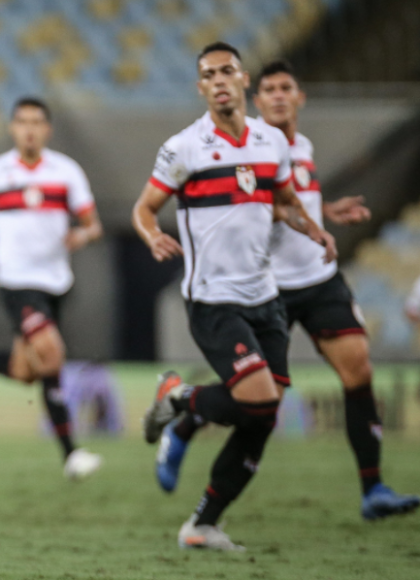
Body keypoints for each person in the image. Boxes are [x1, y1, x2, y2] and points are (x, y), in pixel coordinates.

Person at [154, 59, 419, 521]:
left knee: (358, 370)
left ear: (300, 97)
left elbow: (292, 200)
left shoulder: (298, 146)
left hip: (318, 279)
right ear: (255, 98)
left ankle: (373, 488)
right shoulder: (247, 147)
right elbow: (259, 207)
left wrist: (325, 214)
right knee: (260, 400)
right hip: (269, 287)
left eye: (286, 88)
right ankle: (190, 414)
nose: (278, 96)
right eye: (270, 89)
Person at [132, 42, 338, 551]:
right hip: (213, 299)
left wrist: (314, 229)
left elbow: (285, 201)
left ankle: (203, 524)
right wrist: (150, 233)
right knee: (259, 399)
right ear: (201, 87)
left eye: (228, 71)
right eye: (209, 74)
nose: (220, 80)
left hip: (266, 297)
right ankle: (177, 399)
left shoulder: (271, 142)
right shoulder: (184, 148)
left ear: (243, 79)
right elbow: (144, 208)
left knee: (263, 416)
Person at [0, 97, 103, 480]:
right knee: (52, 354)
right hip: (15, 282)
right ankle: (71, 454)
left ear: (47, 129)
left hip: (56, 283)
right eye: (22, 121)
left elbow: (93, 225)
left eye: (36, 122)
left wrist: (83, 234)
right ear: (13, 128)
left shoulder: (66, 171)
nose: (29, 129)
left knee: (26, 370)